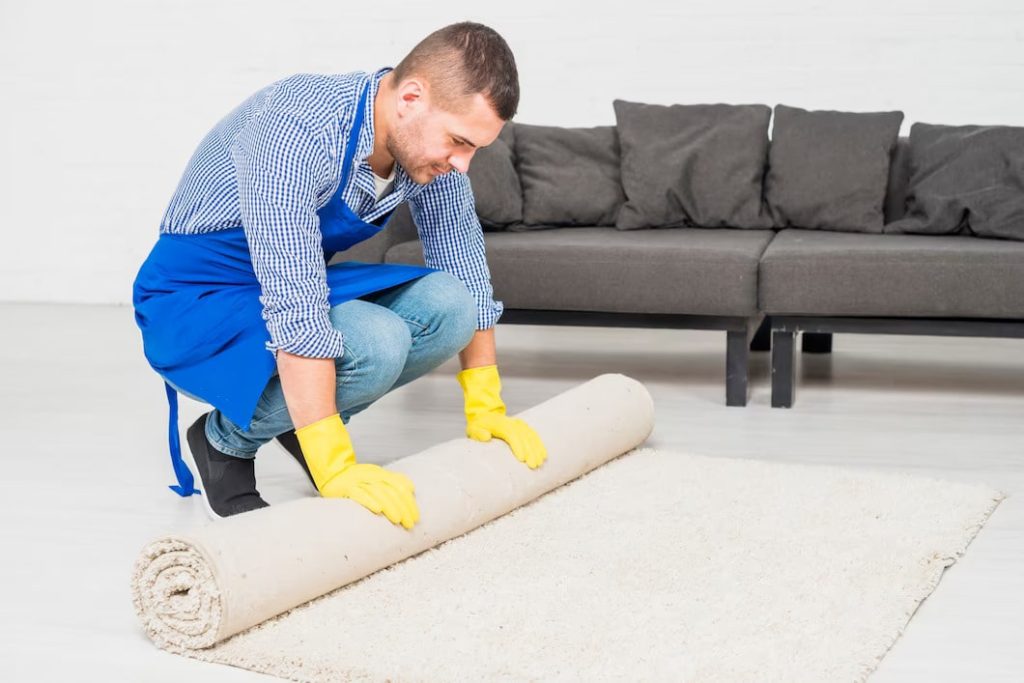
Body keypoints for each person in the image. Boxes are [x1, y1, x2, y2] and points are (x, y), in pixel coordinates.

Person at [132, 22, 547, 527]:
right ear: (411, 97)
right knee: (376, 341)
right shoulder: (294, 129)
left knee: (450, 305)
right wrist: (335, 466)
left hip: (285, 278)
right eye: (459, 141)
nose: (462, 164)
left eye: (475, 149)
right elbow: (296, 306)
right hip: (195, 300)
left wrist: (488, 408)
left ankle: (301, 421)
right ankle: (223, 442)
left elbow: (465, 265)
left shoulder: (422, 153)